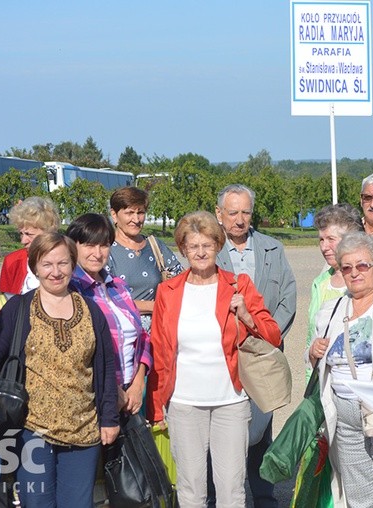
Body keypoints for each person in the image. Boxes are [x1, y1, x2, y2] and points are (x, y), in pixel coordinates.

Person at [149, 211, 281, 507]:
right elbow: (159, 348)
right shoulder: (168, 291)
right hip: (184, 402)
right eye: (193, 246)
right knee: (190, 487)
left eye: (207, 245)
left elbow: (273, 335)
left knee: (231, 489)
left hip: (230, 401)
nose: (200, 252)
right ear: (182, 249)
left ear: (218, 246)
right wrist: (156, 405)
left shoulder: (239, 285)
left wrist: (246, 314)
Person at [0, 233, 119, 507]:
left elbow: (104, 365)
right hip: (32, 432)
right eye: (47, 264)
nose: (56, 272)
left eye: (63, 263)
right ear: (35, 267)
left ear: (72, 264)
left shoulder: (90, 309)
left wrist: (109, 418)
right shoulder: (19, 309)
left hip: (84, 432)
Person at [309, 232, 373, 507]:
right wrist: (314, 353)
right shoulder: (331, 309)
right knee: (358, 491)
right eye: (347, 267)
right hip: (344, 415)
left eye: (362, 266)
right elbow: (319, 364)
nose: (354, 273)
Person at [214, 183, 297, 507]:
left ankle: (263, 497)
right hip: (222, 358)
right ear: (219, 214)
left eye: (245, 212)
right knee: (223, 430)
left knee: (260, 431)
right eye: (232, 212)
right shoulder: (210, 249)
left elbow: (288, 300)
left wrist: (264, 335)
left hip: (261, 354)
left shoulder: (273, 249)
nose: (239, 219)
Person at [66, 213, 151, 416]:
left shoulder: (118, 287)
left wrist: (138, 384)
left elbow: (142, 338)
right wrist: (113, 391)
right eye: (89, 245)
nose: (97, 253)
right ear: (73, 247)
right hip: (94, 399)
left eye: (104, 245)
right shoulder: (71, 291)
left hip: (131, 395)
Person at [307, 204, 373, 353]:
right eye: (321, 239)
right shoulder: (320, 283)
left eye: (330, 239)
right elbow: (312, 338)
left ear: (352, 239)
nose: (324, 247)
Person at [107, 186, 183, 331]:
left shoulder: (154, 245)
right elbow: (105, 298)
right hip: (122, 334)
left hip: (158, 333)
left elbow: (180, 279)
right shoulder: (106, 249)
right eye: (129, 213)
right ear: (114, 215)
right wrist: (153, 306)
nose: (136, 219)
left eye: (140, 212)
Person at [0, 196, 61, 295]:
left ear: (48, 233)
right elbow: (4, 302)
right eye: (21, 234)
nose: (23, 241)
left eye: (29, 234)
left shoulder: (64, 260)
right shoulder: (12, 261)